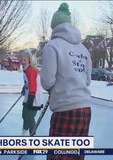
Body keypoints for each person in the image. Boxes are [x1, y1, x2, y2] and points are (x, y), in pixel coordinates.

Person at [40, 3, 92, 160]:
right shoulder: (84, 49)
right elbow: (87, 80)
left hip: (65, 110)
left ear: (55, 26)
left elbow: (47, 81)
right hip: (85, 110)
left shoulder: (53, 46)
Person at [21, 52, 44, 136]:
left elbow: (33, 85)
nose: (22, 62)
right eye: (22, 60)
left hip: (34, 97)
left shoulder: (30, 70)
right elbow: (28, 82)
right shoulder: (26, 69)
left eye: (24, 60)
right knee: (25, 115)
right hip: (29, 95)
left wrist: (31, 97)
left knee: (29, 117)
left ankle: (31, 135)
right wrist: (24, 88)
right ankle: (26, 133)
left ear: (29, 60)